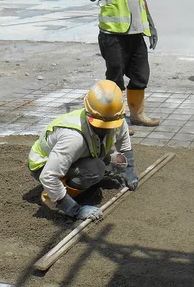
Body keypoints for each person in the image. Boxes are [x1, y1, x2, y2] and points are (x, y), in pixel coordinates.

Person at [28, 80, 139, 220]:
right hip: (43, 166)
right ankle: (62, 197)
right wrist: (75, 210)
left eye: (110, 124)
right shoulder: (73, 138)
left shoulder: (116, 118)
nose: (107, 128)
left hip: (76, 155)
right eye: (102, 125)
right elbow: (48, 176)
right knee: (95, 169)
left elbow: (125, 147)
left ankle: (82, 181)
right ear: (89, 113)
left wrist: (129, 172)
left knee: (119, 162)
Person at [86, 0, 160, 129]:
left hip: (136, 33)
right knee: (115, 78)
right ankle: (116, 122)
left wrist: (151, 24)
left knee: (140, 75)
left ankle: (137, 115)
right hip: (112, 35)